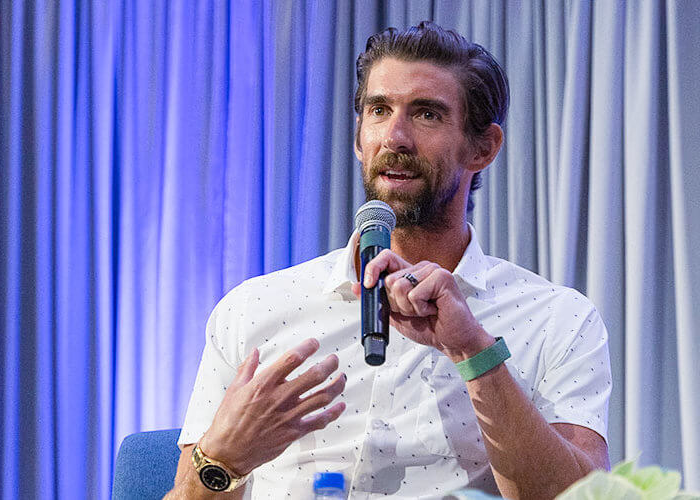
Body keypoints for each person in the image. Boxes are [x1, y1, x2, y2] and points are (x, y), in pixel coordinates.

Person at [165, 21, 611, 499]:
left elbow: (579, 496)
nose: (395, 136)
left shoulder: (557, 320)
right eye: (379, 110)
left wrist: (474, 352)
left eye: (427, 115)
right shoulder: (252, 309)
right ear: (359, 139)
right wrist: (223, 457)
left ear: (483, 147)